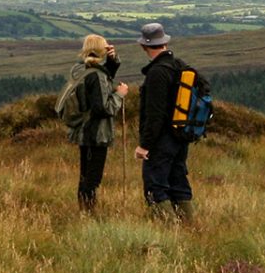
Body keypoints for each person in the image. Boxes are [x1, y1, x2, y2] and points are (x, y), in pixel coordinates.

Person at [133, 22, 194, 222]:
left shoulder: (157, 73)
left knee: (155, 186)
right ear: (164, 42)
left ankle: (168, 228)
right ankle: (189, 227)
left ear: (144, 46)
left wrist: (144, 145)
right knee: (178, 182)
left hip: (162, 140)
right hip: (181, 136)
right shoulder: (180, 66)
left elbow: (155, 115)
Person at [66, 34, 129, 214]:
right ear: (101, 50)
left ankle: (84, 211)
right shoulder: (96, 75)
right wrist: (120, 95)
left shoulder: (80, 69)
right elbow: (103, 108)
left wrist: (112, 60)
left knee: (85, 175)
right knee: (92, 178)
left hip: (83, 130)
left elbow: (104, 78)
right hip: (96, 134)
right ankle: (88, 213)